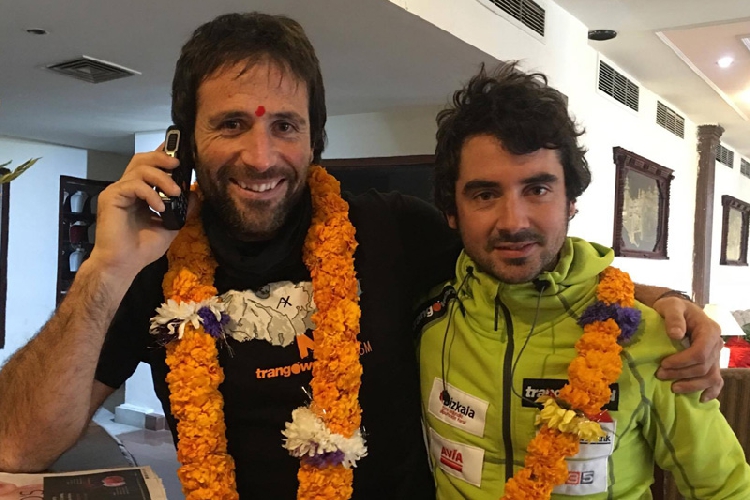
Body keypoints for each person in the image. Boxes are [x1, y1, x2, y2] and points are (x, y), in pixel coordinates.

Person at [0, 12, 723, 500]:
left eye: (286, 126)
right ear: (184, 141)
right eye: (231, 125)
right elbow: (17, 446)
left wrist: (663, 303)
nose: (262, 156)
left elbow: (520, 256)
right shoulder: (150, 268)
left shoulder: (392, 229)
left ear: (316, 138)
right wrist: (104, 270)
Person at [416, 63, 750, 499]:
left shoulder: (649, 336)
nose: (513, 222)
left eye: (537, 190)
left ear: (571, 200)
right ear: (451, 211)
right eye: (485, 194)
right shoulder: (427, 314)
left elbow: (724, 489)